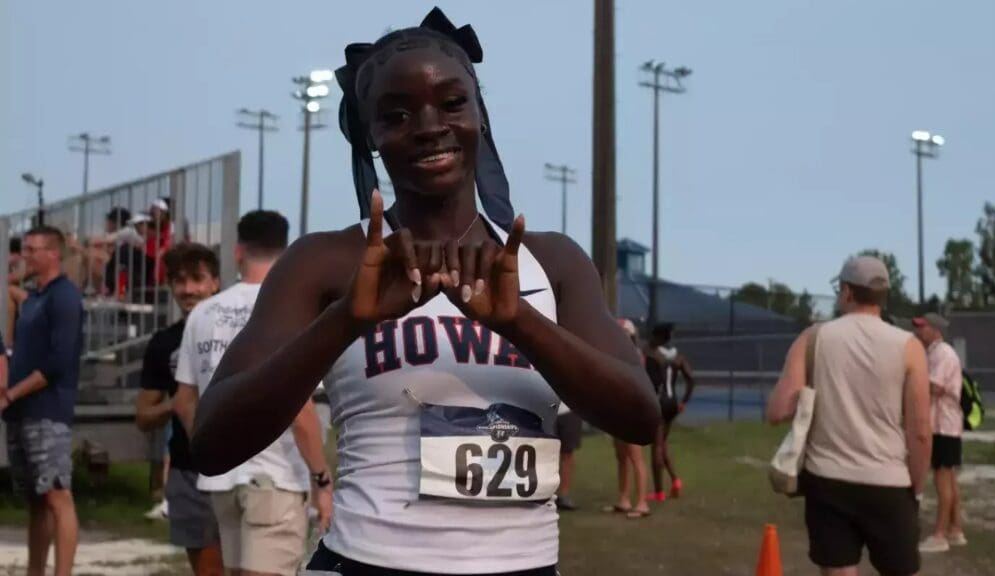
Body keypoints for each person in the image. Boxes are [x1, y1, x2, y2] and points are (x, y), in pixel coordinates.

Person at [188, 8, 660, 576]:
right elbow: (212, 443)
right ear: (371, 134)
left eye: (452, 103)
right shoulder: (327, 262)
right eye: (397, 114)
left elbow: (641, 417)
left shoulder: (550, 261)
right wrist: (345, 321)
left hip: (524, 566)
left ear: (480, 115)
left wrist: (521, 325)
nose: (429, 125)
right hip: (368, 562)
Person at [173, 211, 332, 576]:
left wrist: (211, 445)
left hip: (222, 477)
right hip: (276, 478)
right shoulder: (296, 310)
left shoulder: (202, 313)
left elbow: (185, 401)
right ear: (288, 252)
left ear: (238, 252)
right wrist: (322, 478)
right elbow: (299, 409)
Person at [767, 256, 932, 576]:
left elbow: (777, 411)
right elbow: (921, 430)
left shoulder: (813, 338)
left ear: (846, 292)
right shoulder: (909, 347)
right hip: (890, 481)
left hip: (828, 480)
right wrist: (917, 488)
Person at [135, 243, 223, 575]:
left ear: (215, 281)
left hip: (243, 468)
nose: (188, 290)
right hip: (188, 470)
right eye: (180, 281)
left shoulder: (239, 329)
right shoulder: (163, 343)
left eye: (197, 279)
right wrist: (178, 403)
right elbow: (142, 415)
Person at [0, 226, 84, 576]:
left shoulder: (64, 297)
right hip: (21, 412)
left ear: (53, 253)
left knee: (57, 495)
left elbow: (59, 359)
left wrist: (12, 393)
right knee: (36, 499)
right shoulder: (34, 299)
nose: (25, 256)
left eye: (33, 249)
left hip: (47, 410)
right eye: (24, 249)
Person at [912, 312, 966, 553]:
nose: (918, 331)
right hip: (945, 425)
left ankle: (940, 534)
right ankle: (955, 529)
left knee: (942, 479)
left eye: (922, 327)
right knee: (949, 478)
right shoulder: (932, 353)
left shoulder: (942, 354)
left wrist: (910, 387)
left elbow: (934, 386)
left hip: (944, 425)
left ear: (935, 329)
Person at [603, 319, 651, 519]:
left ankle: (642, 502)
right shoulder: (617, 353)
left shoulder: (633, 355)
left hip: (632, 407)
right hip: (619, 407)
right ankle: (624, 498)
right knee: (621, 455)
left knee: (635, 455)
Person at [644, 323, 696, 502]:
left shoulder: (650, 353)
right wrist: (683, 402)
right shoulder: (677, 356)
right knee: (662, 443)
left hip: (657, 403)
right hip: (672, 403)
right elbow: (691, 379)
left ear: (658, 337)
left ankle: (659, 492)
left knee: (656, 447)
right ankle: (675, 480)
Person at [554, 403, 583, 511]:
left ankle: (564, 495)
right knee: (546, 453)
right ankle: (546, 493)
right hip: (546, 411)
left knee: (567, 454)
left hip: (569, 411)